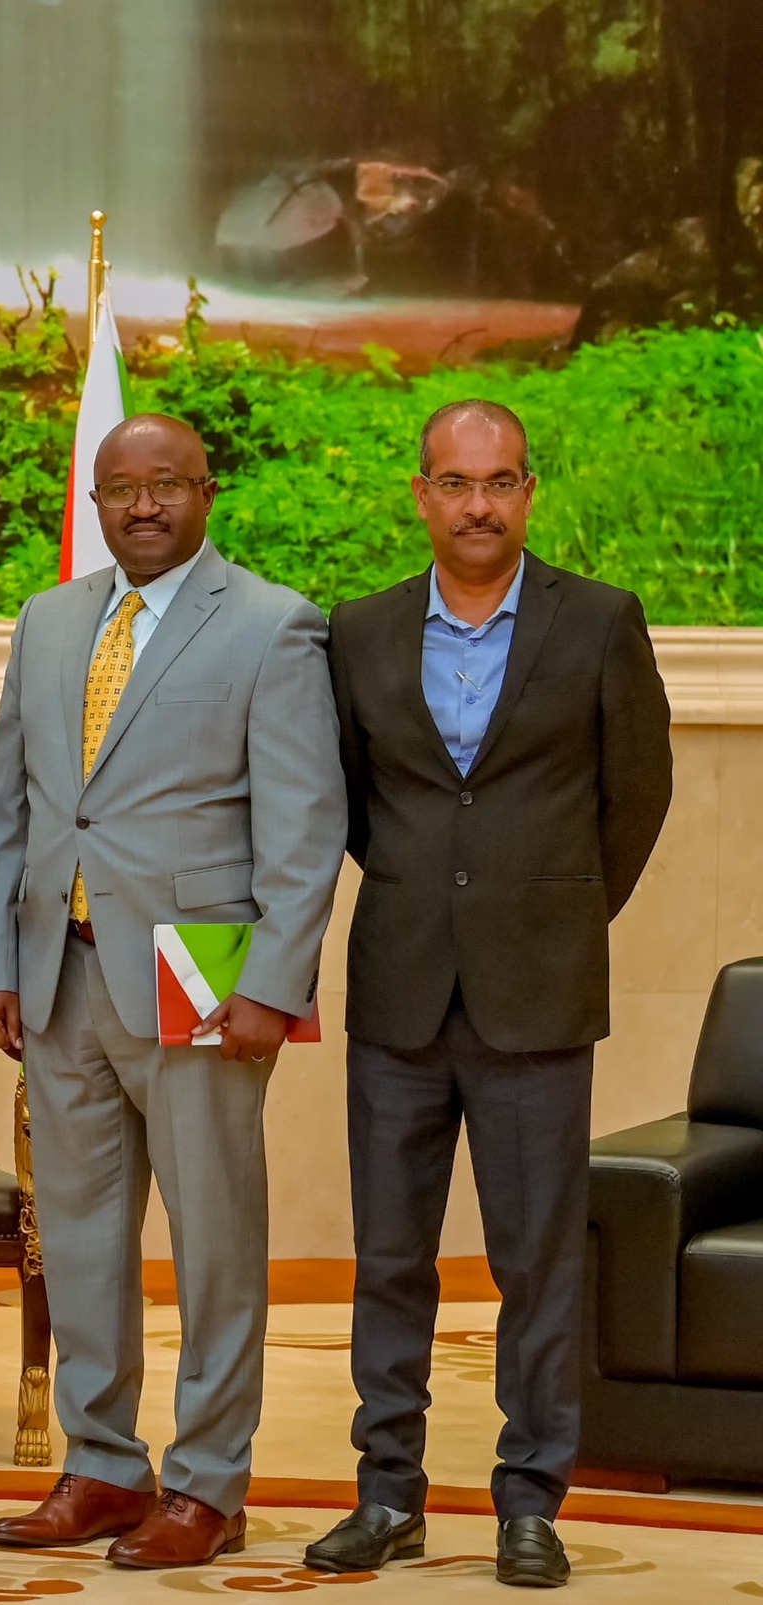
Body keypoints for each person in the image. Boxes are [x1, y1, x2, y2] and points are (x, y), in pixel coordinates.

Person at [0, 414, 346, 1568]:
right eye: (119, 488)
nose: (142, 506)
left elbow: (302, 826)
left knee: (212, 1238)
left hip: (201, 974)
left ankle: (207, 1484)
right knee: (78, 1238)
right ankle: (98, 1469)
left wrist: (271, 986)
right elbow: (13, 809)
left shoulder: (273, 625)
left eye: (165, 486)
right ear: (94, 501)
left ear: (205, 492)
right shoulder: (46, 621)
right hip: (58, 974)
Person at [305, 400, 672, 1589]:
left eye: (500, 482)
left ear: (528, 491)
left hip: (538, 992)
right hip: (399, 989)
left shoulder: (599, 622)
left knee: (534, 1262)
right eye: (455, 483)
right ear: (418, 493)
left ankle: (529, 1500)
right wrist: (437, 898)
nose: (477, 504)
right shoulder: (354, 633)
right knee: (390, 1257)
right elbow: (352, 805)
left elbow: (636, 797)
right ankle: (386, 1493)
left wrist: (548, 911)